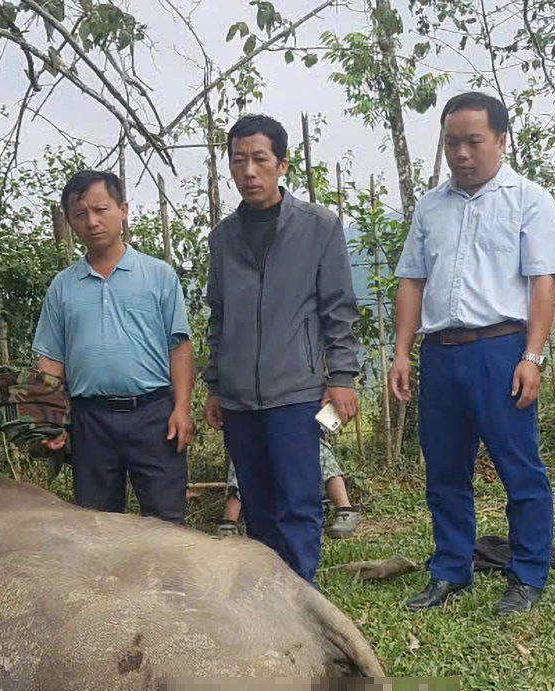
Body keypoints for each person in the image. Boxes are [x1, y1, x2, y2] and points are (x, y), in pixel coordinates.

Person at [389, 92, 555, 617]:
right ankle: (450, 569)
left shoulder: (530, 200)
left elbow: (543, 284)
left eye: (473, 141)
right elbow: (412, 281)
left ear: (502, 140)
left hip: (501, 350)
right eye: (451, 142)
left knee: (518, 467)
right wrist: (402, 352)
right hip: (441, 354)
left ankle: (529, 573)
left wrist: (532, 357)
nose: (461, 153)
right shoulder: (431, 206)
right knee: (444, 469)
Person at [202, 113, 361, 584]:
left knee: (298, 501)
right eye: (238, 161)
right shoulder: (223, 238)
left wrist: (342, 378)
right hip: (238, 395)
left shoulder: (318, 226)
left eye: (259, 159)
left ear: (282, 164)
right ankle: (272, 595)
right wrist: (215, 384)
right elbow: (219, 316)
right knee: (256, 502)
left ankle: (302, 593)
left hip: (296, 389)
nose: (248, 171)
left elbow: (338, 308)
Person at [34, 169, 194, 522]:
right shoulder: (62, 287)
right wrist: (50, 421)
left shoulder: (158, 275)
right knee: (96, 526)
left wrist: (182, 407)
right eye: (80, 214)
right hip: (89, 419)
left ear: (123, 210)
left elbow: (179, 347)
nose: (91, 221)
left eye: (100, 209)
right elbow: (49, 359)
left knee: (166, 521)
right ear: (70, 221)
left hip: (155, 415)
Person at [216, 434, 362, 539]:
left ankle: (345, 510)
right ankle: (229, 522)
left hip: (300, 441)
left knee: (317, 448)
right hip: (263, 443)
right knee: (245, 454)